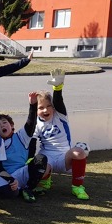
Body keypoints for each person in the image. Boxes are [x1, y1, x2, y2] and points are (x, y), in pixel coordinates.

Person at [33, 69, 90, 200]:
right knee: (37, 165)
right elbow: (30, 143)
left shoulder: (60, 116)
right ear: (35, 110)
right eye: (41, 108)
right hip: (47, 157)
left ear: (53, 107)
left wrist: (57, 89)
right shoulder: (35, 123)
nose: (45, 110)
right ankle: (44, 181)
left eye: (48, 106)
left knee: (79, 152)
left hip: (64, 157)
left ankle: (77, 187)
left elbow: (58, 101)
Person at [0, 94, 50, 203]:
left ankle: (28, 189)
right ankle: (20, 190)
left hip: (22, 174)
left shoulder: (21, 137)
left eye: (4, 122)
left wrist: (33, 105)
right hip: (5, 178)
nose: (2, 126)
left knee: (41, 159)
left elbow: (31, 123)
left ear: (12, 125)